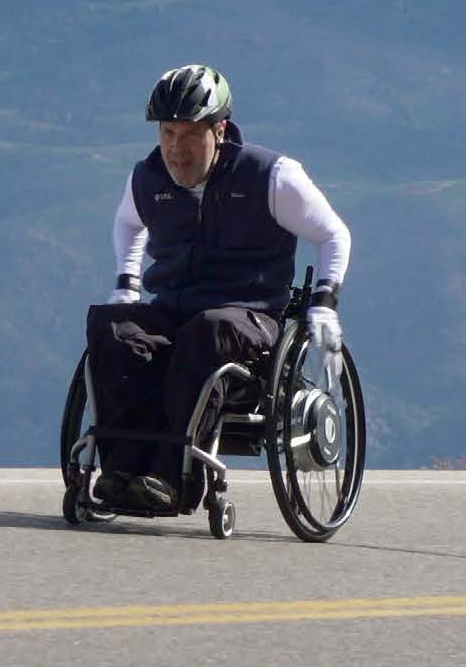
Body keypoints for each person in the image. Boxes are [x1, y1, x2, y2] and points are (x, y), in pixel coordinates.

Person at [84, 63, 351, 512]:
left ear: (220, 130)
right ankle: (121, 473)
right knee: (111, 326)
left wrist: (325, 303)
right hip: (172, 308)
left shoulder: (271, 176)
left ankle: (173, 478)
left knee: (206, 330)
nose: (176, 149)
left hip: (249, 315)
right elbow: (128, 223)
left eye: (189, 135)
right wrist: (126, 283)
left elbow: (333, 234)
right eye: (167, 133)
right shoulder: (147, 178)